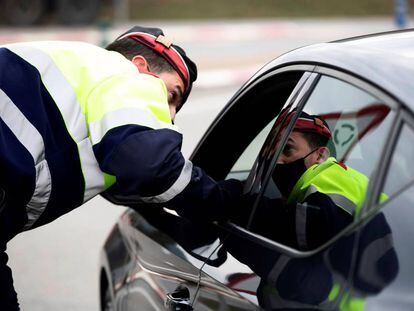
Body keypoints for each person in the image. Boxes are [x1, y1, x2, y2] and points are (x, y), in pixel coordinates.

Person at [0, 26, 242, 310]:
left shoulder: (81, 83)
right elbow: (146, 164)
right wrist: (224, 201)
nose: (171, 116)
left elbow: (125, 183)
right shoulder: (124, 75)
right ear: (140, 66)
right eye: (172, 96)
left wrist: (175, 220)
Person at [228, 109, 398, 310]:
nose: (278, 161)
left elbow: (295, 225)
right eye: (273, 153)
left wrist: (227, 204)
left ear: (320, 155)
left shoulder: (325, 186)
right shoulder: (351, 182)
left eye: (288, 149)